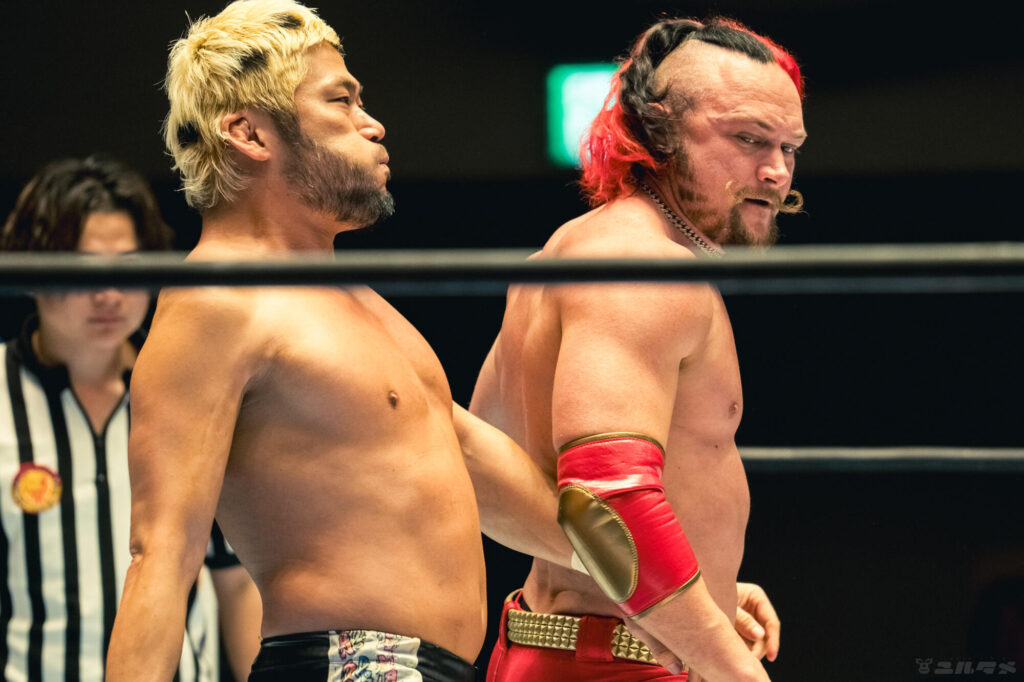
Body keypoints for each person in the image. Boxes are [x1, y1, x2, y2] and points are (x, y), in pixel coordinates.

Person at [105, 2, 573, 680]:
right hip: (345, 665)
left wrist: (682, 591)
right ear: (249, 133)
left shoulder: (363, 307)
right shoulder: (217, 298)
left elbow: (499, 481)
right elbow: (162, 551)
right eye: (341, 100)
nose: (372, 124)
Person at [470, 17, 807, 682]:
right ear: (658, 132)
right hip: (613, 663)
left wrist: (696, 595)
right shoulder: (642, 268)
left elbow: (483, 473)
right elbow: (606, 499)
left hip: (578, 648)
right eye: (748, 139)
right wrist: (723, 660)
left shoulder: (570, 250)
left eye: (789, 147)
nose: (775, 170)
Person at [0, 156, 262, 681]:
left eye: (126, 267)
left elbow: (235, 578)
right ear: (31, 269)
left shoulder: (194, 389)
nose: (108, 294)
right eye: (82, 269)